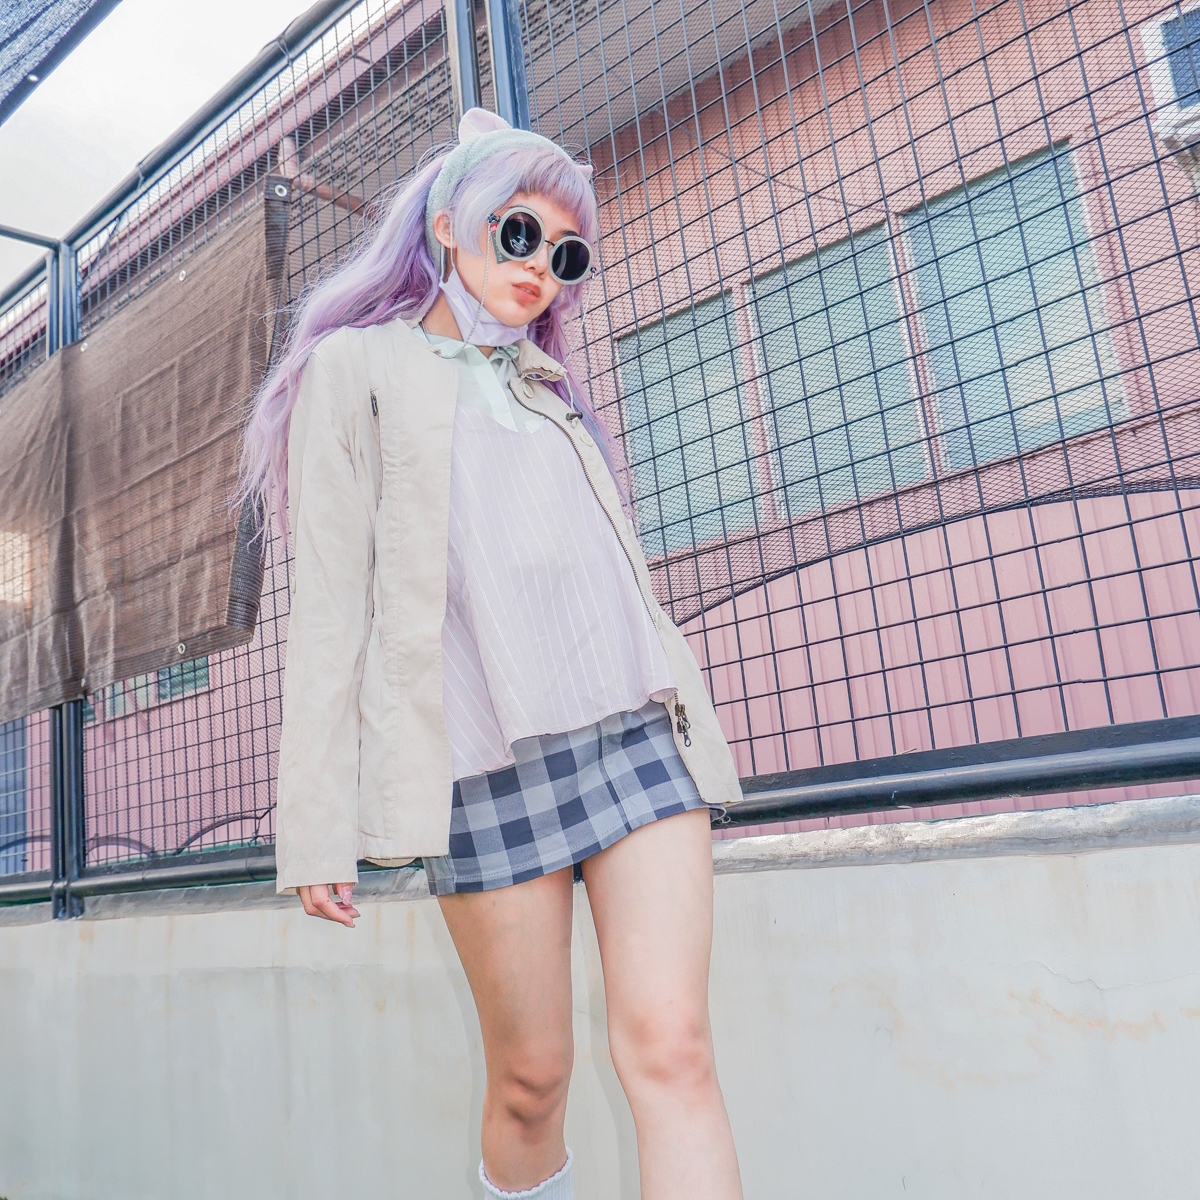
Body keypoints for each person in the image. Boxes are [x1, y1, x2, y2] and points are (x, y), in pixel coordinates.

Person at [240, 108, 745, 1200]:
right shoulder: (357, 368)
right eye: (519, 232)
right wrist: (317, 817)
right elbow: (329, 607)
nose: (541, 269)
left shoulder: (546, 388)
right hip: (483, 763)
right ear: (446, 223)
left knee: (673, 1049)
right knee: (531, 1080)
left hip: (634, 734)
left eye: (566, 255)